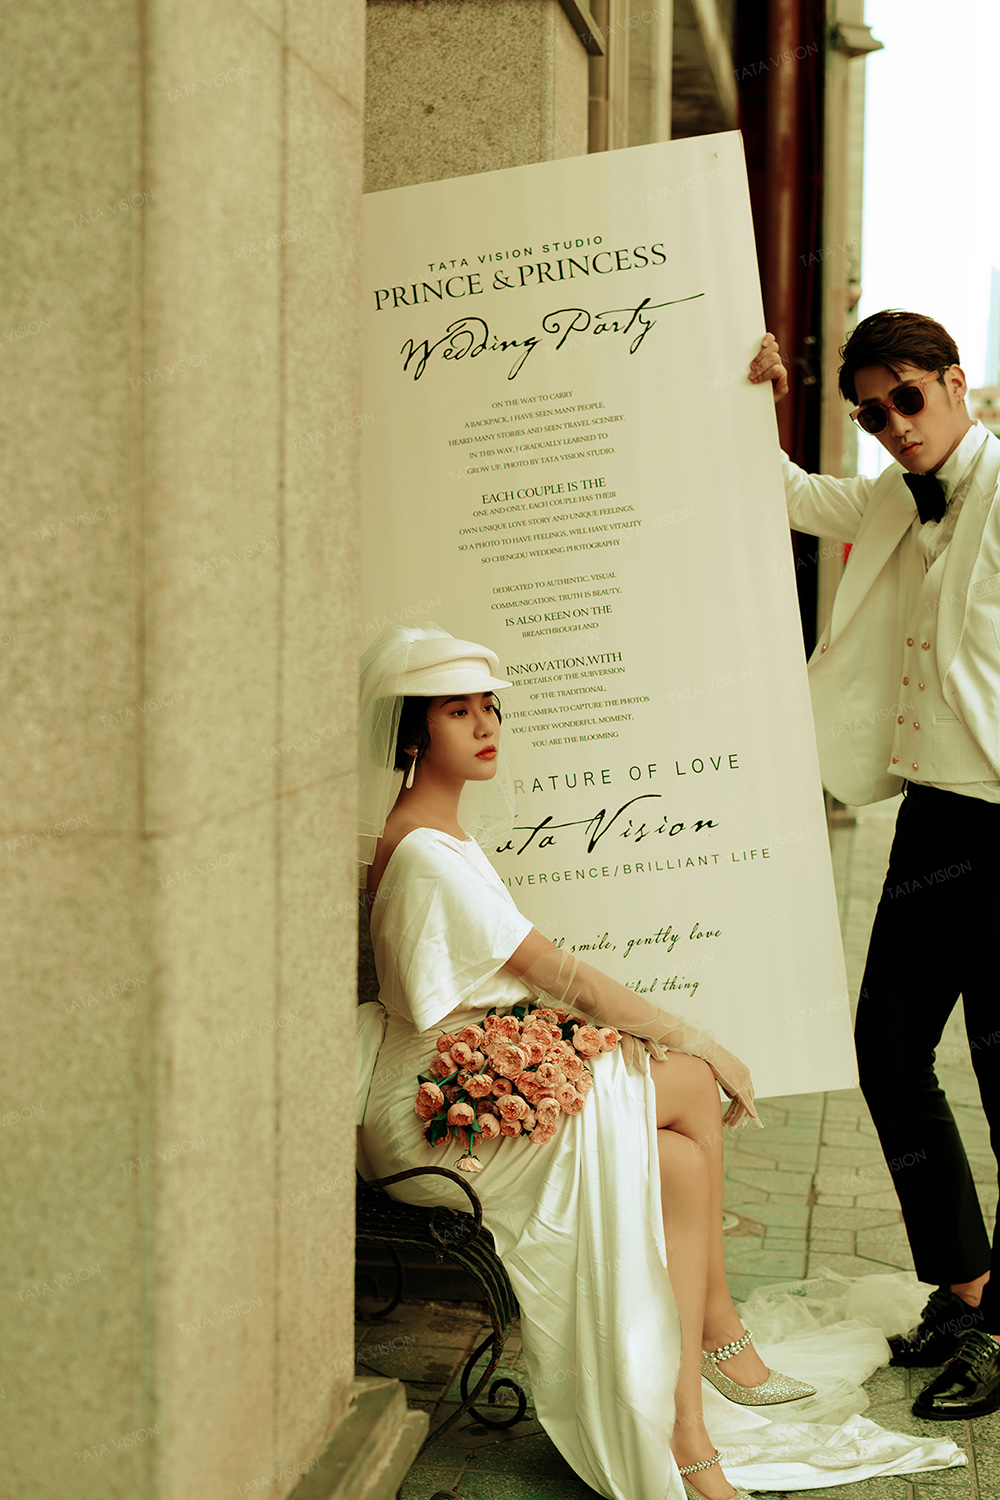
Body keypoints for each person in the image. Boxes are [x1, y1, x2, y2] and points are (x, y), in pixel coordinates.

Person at [356, 622, 964, 1498]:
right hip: (433, 1111)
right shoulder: (426, 853)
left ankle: (686, 1424)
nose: (487, 725)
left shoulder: (438, 835)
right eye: (459, 711)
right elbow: (558, 973)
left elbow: (525, 984)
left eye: (490, 706)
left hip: (468, 1077)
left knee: (679, 1161)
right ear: (415, 732)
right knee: (689, 1079)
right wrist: (697, 1040)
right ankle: (719, 1340)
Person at [750, 311, 1000, 1420]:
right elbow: (786, 494)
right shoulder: (899, 497)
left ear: (955, 383)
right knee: (887, 1050)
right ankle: (966, 1283)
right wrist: (747, 393)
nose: (893, 424)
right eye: (870, 412)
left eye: (907, 396)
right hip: (934, 816)